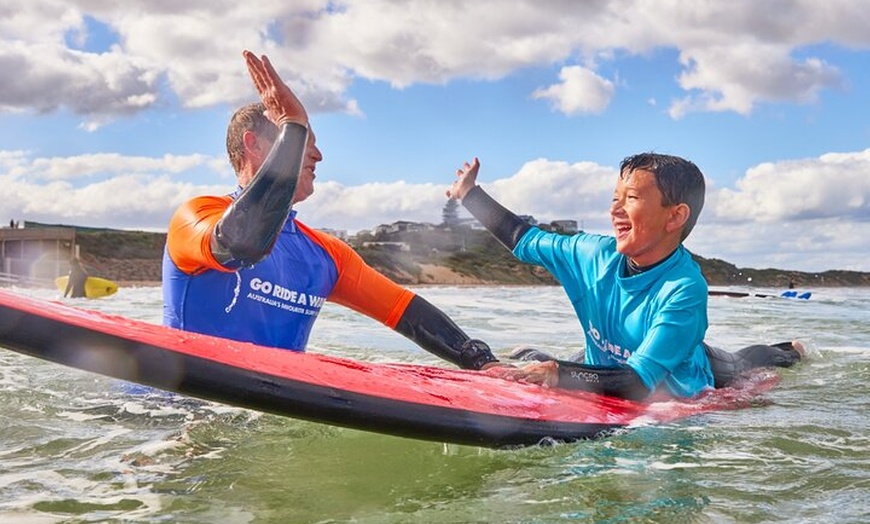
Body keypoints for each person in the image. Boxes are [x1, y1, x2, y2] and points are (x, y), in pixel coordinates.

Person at [162, 51, 498, 371]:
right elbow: (242, 245)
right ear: (254, 144)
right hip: (177, 406)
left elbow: (405, 310)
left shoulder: (327, 255)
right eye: (302, 140)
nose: (318, 155)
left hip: (268, 406)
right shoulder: (196, 216)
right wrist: (294, 124)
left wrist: (481, 361)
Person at [446, 155, 803, 400]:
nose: (614, 210)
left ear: (675, 216)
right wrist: (469, 194)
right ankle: (536, 356)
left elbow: (638, 381)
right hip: (615, 364)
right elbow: (523, 239)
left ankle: (791, 349)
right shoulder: (591, 254)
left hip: (679, 374)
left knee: (744, 364)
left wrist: (560, 374)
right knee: (559, 362)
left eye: (630, 198)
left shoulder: (683, 289)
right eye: (615, 198)